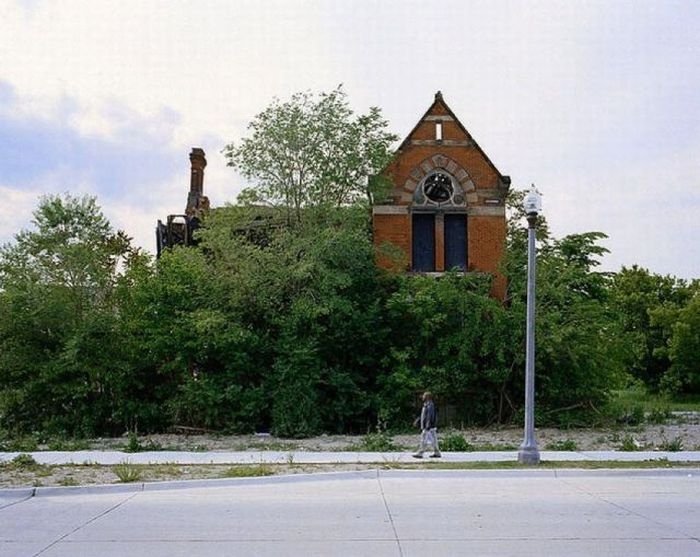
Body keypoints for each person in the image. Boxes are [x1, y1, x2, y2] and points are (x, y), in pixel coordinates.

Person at [412, 391, 441, 458]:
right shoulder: (427, 404)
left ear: (427, 397)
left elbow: (429, 416)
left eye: (424, 396)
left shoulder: (430, 405)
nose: (422, 397)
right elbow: (423, 415)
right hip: (430, 426)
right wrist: (417, 421)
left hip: (428, 426)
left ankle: (420, 453)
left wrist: (427, 426)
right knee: (434, 441)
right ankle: (437, 453)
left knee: (423, 440)